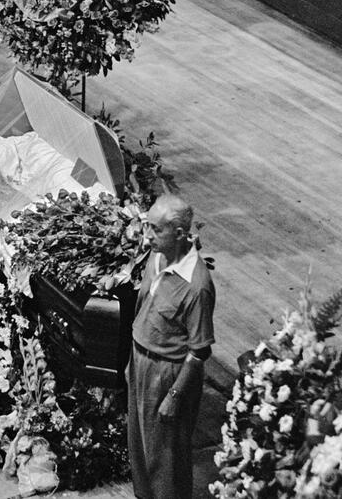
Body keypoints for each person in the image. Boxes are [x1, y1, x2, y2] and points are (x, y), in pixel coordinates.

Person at [127, 194, 216, 498]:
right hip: (141, 361)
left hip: (167, 374)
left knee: (166, 458)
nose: (147, 236)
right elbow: (144, 308)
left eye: (156, 230)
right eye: (146, 227)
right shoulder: (156, 257)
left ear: (179, 234)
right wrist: (132, 361)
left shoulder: (196, 286)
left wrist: (174, 395)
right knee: (139, 449)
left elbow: (199, 351)